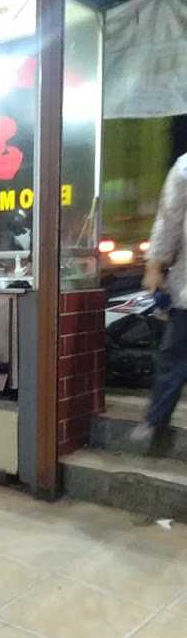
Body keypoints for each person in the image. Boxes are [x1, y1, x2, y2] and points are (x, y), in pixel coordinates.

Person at [132, 154, 187, 442]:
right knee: (173, 357)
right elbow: (169, 221)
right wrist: (155, 265)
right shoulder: (185, 168)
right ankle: (156, 419)